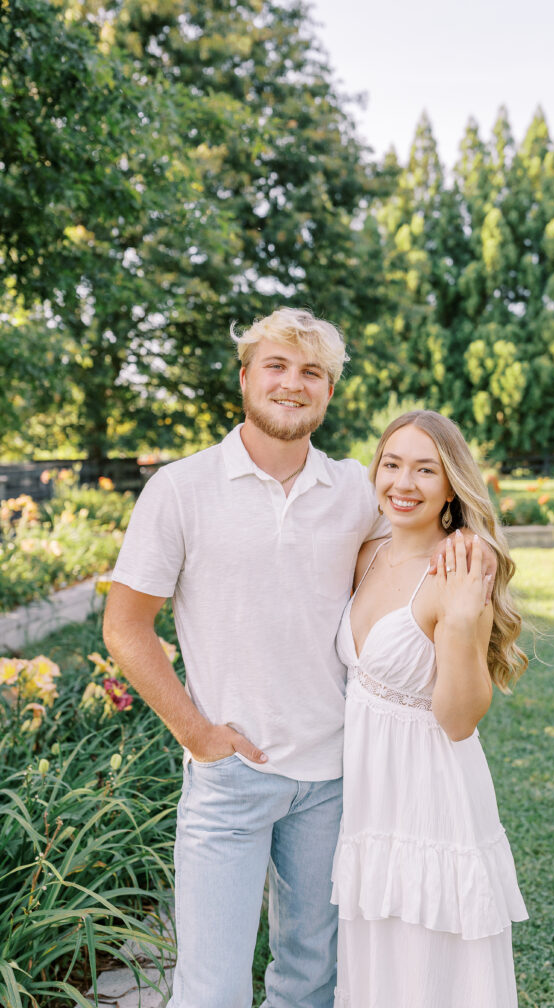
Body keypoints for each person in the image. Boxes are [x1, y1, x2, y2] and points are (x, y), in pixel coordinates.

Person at [102, 308, 497, 1008]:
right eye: (276, 366)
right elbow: (125, 626)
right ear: (246, 377)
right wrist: (200, 737)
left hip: (338, 778)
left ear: (329, 391)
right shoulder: (180, 489)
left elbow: (417, 533)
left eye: (311, 371)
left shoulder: (354, 488)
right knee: (211, 988)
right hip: (230, 775)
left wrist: (468, 556)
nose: (292, 383)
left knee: (310, 978)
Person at [331, 410, 528, 1008]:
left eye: (425, 469)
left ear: (450, 487)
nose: (403, 483)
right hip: (369, 793)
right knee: (378, 960)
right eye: (391, 465)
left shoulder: (461, 568)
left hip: (431, 793)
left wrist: (464, 622)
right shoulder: (366, 553)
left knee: (431, 965)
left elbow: (460, 719)